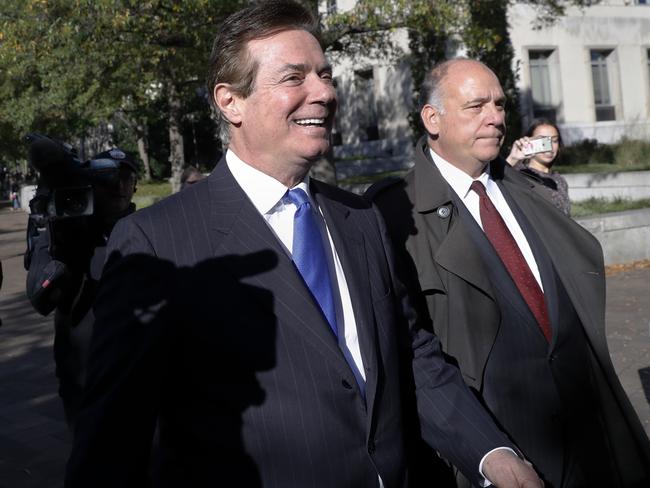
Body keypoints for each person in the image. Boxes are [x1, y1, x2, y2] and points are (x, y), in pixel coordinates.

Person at [64, 4, 542, 488]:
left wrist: (491, 452)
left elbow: (412, 353)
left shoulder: (359, 218)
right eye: (294, 77)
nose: (325, 93)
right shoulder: (156, 242)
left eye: (325, 75)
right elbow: (112, 442)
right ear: (231, 102)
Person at [367, 58, 650, 487]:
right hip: (489, 456)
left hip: (588, 442)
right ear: (432, 118)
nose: (496, 117)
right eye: (476, 105)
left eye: (500, 104)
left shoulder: (529, 190)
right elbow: (407, 356)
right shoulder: (391, 215)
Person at [26, 148, 138, 427]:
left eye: (127, 178)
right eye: (108, 179)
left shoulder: (148, 228)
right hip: (84, 379)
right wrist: (62, 251)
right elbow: (41, 300)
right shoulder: (63, 232)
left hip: (141, 373)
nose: (119, 187)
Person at [505, 119, 570, 216]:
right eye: (543, 141)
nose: (550, 146)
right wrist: (512, 159)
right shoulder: (518, 174)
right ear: (529, 141)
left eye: (554, 140)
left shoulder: (560, 180)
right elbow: (492, 183)